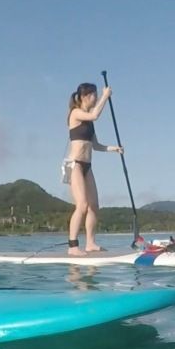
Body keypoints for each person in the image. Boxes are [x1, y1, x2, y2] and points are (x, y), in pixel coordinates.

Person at [65, 83, 123, 256]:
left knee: (94, 206)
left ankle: (90, 243)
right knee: (82, 205)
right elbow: (95, 115)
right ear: (84, 96)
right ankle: (72, 246)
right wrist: (106, 96)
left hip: (87, 166)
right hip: (74, 164)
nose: (96, 98)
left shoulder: (89, 123)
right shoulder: (76, 113)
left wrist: (114, 148)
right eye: (94, 96)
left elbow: (96, 145)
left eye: (98, 96)